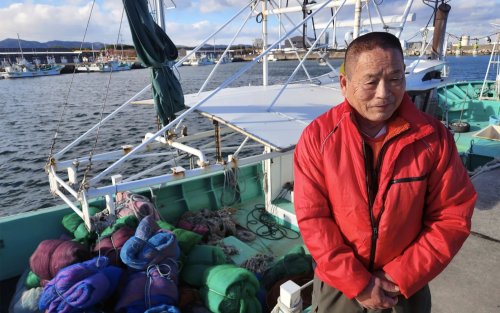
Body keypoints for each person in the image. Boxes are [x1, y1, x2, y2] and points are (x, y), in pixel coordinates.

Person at [293, 32, 477, 313]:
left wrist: (398, 275)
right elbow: (314, 219)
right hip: (340, 287)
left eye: (395, 79)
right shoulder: (318, 138)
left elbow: (452, 215)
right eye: (371, 81)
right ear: (345, 84)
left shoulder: (433, 138)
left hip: (405, 286)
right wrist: (358, 282)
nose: (385, 93)